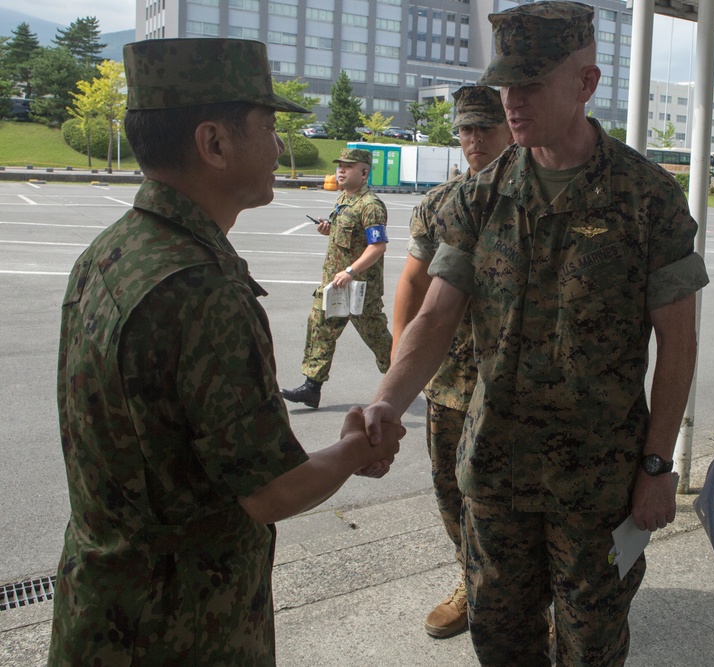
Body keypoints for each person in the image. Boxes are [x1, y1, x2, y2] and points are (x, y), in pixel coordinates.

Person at [361, 2, 709, 664]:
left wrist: (658, 463)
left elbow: (679, 343)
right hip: (496, 475)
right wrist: (385, 401)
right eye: (505, 86)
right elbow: (435, 315)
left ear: (585, 83)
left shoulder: (646, 197)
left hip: (600, 484)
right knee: (502, 639)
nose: (511, 103)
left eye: (530, 84)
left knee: (591, 646)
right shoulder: (479, 197)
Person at [47, 38, 404, 666]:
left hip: (99, 609)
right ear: (213, 144)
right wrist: (355, 449)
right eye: (268, 127)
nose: (278, 147)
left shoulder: (110, 251)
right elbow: (270, 492)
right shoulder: (202, 289)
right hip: (182, 627)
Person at [392, 85, 514, 639]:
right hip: (449, 381)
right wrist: (401, 365)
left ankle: (532, 598)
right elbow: (413, 283)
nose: (473, 140)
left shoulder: (532, 198)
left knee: (516, 498)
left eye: (485, 127)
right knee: (450, 491)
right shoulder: (439, 202)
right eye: (465, 129)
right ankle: (472, 579)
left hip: (515, 385)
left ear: (511, 126)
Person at [281, 148, 392, 408]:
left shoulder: (370, 206)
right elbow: (347, 238)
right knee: (320, 329)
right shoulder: (344, 199)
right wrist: (327, 230)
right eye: (339, 166)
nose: (340, 171)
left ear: (364, 173)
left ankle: (404, 380)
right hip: (335, 284)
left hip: (360, 288)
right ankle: (311, 387)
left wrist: (351, 271)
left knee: (378, 338)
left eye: (348, 167)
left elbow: (378, 246)